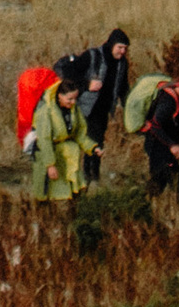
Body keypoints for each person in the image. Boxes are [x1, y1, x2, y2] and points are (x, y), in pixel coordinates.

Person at [128, 67, 179, 198]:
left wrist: (177, 143)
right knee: (164, 176)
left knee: (166, 175)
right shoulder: (168, 102)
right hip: (156, 140)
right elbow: (156, 125)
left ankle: (155, 200)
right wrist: (172, 145)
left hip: (165, 139)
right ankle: (145, 202)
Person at [23, 67, 94, 204]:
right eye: (70, 99)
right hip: (48, 156)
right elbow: (44, 140)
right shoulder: (45, 112)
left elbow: (79, 133)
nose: (73, 102)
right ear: (59, 95)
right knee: (49, 195)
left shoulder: (73, 110)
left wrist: (92, 147)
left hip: (67, 157)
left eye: (75, 99)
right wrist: (50, 165)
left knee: (70, 195)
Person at [78, 28, 136, 152]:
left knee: (97, 143)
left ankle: (92, 171)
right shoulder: (92, 55)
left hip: (104, 109)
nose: (123, 51)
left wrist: (130, 107)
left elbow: (123, 86)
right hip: (85, 107)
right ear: (111, 44)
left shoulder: (123, 63)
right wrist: (87, 85)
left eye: (125, 48)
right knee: (80, 143)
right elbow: (72, 77)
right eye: (120, 47)